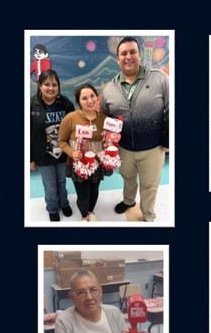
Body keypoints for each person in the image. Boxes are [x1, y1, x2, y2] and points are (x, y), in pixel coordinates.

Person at [100, 37, 169, 222]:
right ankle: (129, 201)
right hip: (123, 149)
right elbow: (105, 117)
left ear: (139, 55)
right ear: (117, 58)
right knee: (128, 179)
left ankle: (148, 214)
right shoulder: (110, 88)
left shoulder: (159, 78)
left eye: (132, 52)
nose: (128, 57)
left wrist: (168, 140)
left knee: (149, 185)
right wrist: (108, 141)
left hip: (153, 148)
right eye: (124, 53)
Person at [31, 70, 75, 222]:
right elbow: (27, 134)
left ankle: (64, 203)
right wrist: (30, 158)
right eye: (47, 84)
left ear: (59, 87)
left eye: (54, 84)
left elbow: (73, 130)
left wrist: (72, 153)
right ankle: (52, 208)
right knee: (50, 185)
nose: (51, 88)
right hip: (42, 156)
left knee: (62, 182)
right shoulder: (31, 105)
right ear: (40, 86)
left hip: (63, 154)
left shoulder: (66, 104)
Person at [58, 84, 107, 221]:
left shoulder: (104, 118)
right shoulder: (70, 118)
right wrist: (72, 152)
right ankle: (84, 216)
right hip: (78, 164)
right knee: (83, 195)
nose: (90, 100)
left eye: (92, 96)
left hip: (97, 164)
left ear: (97, 97)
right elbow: (61, 141)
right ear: (78, 101)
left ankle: (91, 212)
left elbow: (107, 140)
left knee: (94, 191)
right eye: (84, 98)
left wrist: (108, 145)